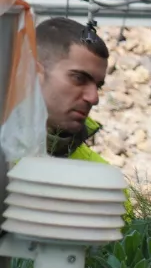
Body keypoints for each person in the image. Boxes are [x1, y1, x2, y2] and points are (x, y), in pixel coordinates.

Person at [36, 17, 110, 163]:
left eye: (98, 86)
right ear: (33, 73)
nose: (94, 98)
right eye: (79, 78)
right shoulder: (5, 158)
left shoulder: (99, 175)